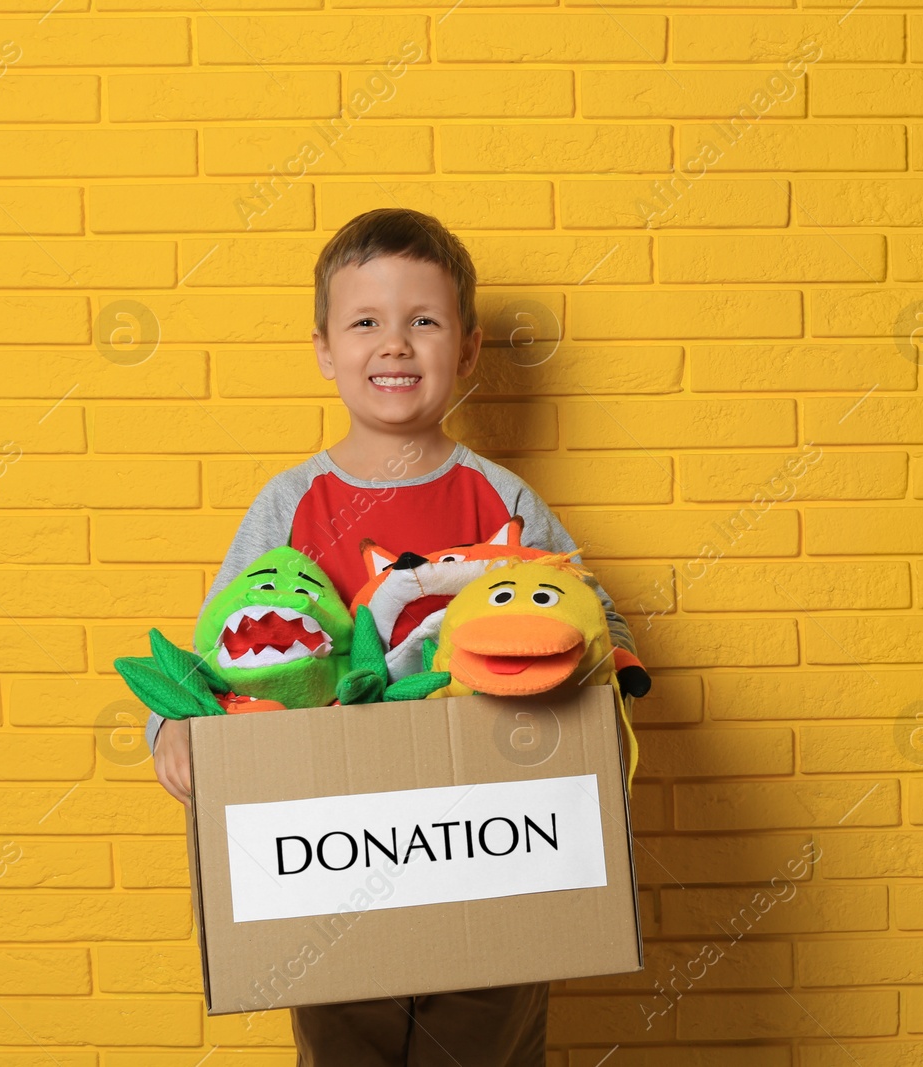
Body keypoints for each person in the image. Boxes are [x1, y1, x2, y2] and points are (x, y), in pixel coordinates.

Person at [147, 207, 641, 1066]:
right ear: (324, 349)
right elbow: (218, 646)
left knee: (486, 1037)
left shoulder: (504, 501)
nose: (395, 345)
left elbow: (597, 620)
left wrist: (589, 681)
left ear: (471, 348)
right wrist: (178, 727)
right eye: (366, 322)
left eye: (424, 321)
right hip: (331, 841)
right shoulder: (290, 503)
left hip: (490, 831)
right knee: (346, 1044)